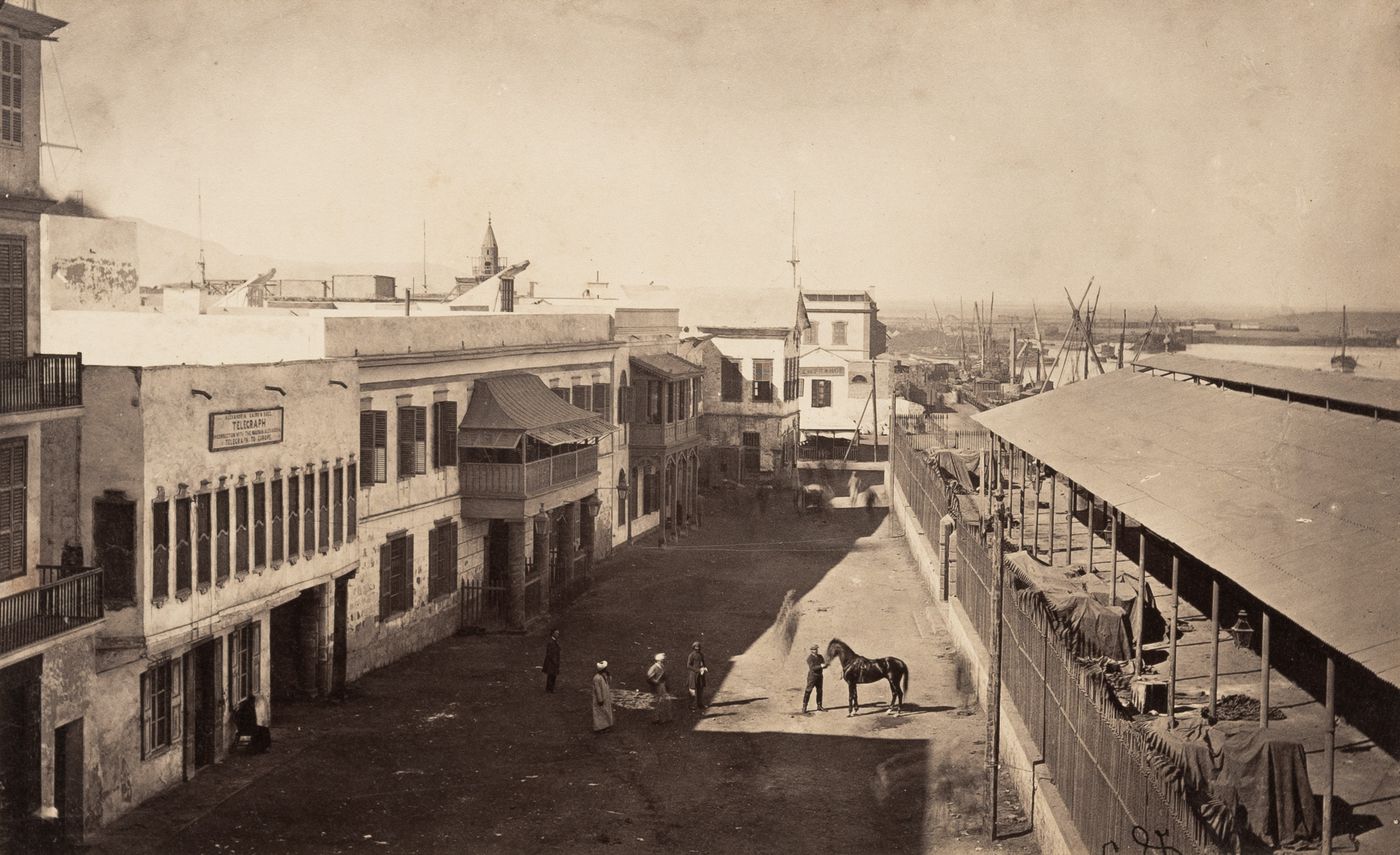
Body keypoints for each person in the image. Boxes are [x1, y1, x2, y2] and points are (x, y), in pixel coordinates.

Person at [646, 652, 673, 724]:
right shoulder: (654, 667)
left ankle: (664, 718)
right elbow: (649, 678)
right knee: (658, 703)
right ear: (659, 660)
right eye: (663, 660)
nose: (664, 661)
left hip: (662, 685)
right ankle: (657, 719)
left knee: (665, 701)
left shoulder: (662, 666)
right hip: (657, 686)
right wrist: (656, 682)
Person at [803, 644, 828, 713]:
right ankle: (804, 706)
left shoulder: (820, 656)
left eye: (816, 649)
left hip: (820, 676)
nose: (816, 650)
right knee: (808, 691)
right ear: (811, 651)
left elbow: (823, 664)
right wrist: (821, 666)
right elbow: (813, 668)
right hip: (812, 677)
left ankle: (819, 706)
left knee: (819, 691)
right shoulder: (809, 658)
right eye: (814, 649)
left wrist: (826, 665)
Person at [591, 661, 614, 733]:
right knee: (600, 713)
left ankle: (606, 725)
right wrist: (600, 699)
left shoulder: (604, 676)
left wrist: (609, 675)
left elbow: (609, 682)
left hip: (605, 697)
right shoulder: (597, 678)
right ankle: (600, 727)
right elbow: (598, 690)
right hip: (600, 698)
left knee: (605, 711)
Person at [687, 641, 708, 710]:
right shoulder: (691, 655)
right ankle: (691, 705)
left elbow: (703, 663)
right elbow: (688, 665)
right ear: (693, 648)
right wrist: (698, 670)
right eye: (696, 648)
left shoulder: (701, 655)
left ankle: (700, 704)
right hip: (693, 676)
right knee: (692, 691)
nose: (698, 649)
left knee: (700, 690)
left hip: (700, 675)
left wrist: (704, 667)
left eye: (699, 648)